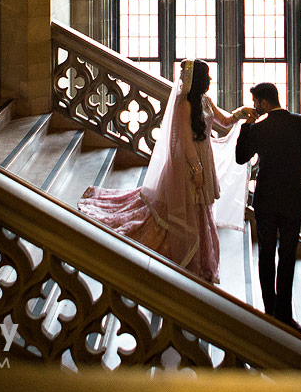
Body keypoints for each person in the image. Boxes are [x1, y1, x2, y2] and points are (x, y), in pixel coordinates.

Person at [78, 59, 253, 283]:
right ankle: (182, 251)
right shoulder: (183, 104)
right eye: (207, 76)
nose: (210, 79)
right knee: (186, 204)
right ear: (197, 80)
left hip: (203, 156)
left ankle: (198, 255)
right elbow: (184, 140)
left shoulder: (205, 100)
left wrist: (241, 113)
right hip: (188, 162)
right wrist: (196, 169)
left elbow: (225, 122)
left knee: (199, 208)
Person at [235, 82, 301, 333]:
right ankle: (285, 315)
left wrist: (246, 127)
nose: (255, 108)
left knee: (266, 254)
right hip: (293, 199)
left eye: (255, 103)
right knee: (287, 257)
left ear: (263, 103)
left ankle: (269, 312)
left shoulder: (258, 129)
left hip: (265, 200)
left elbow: (241, 158)